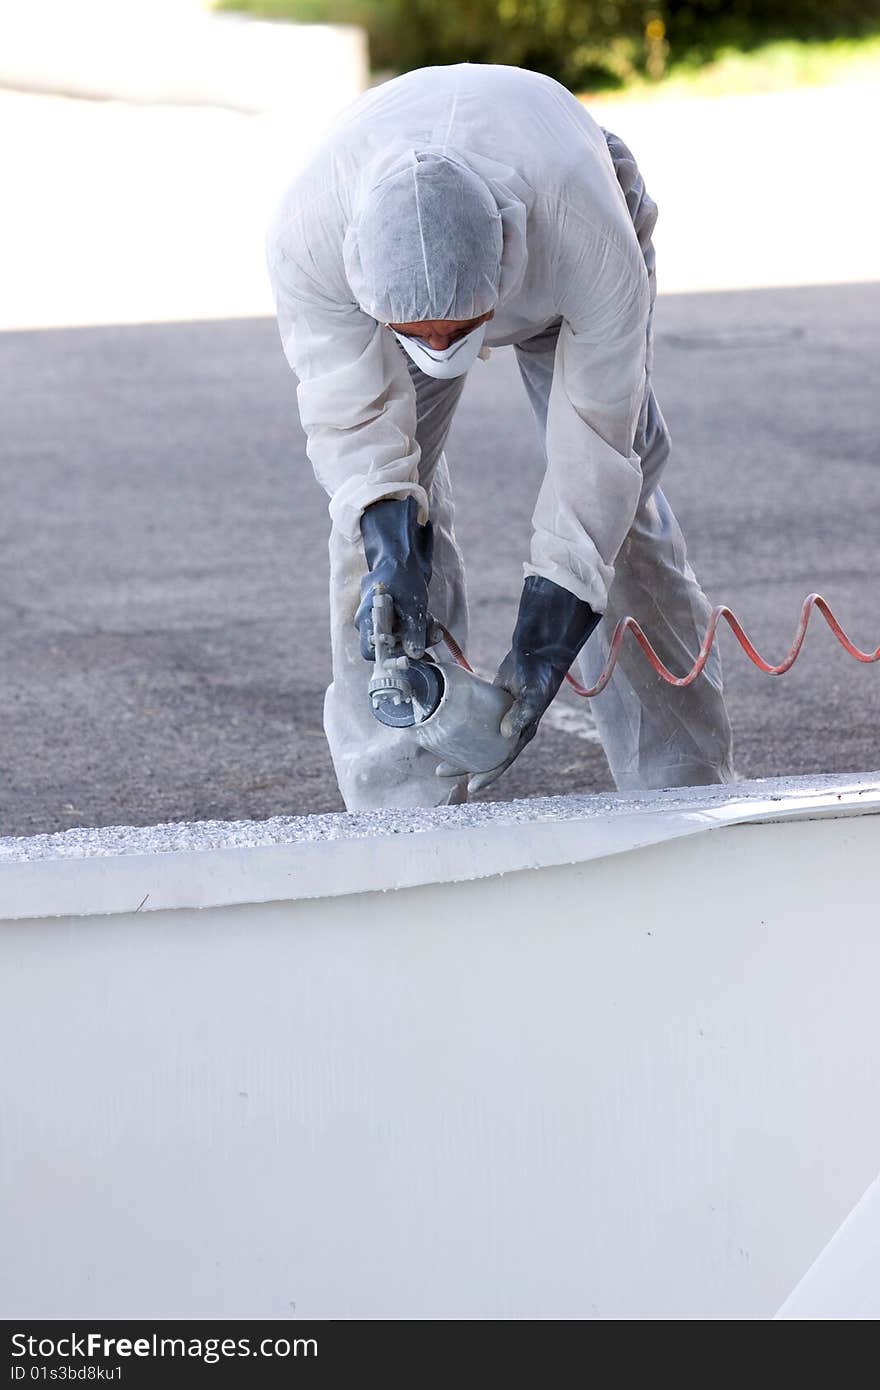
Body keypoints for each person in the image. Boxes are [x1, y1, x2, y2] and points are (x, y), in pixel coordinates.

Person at [267, 62, 735, 810]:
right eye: (416, 334)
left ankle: (678, 791)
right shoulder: (312, 238)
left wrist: (547, 632)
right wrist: (391, 541)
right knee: (366, 554)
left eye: (459, 331)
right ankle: (402, 806)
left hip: (569, 241)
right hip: (401, 268)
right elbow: (348, 414)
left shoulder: (585, 235)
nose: (442, 348)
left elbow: (598, 444)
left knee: (622, 525)